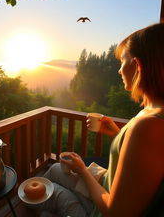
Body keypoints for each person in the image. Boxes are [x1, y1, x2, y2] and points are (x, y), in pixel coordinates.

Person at [35, 23, 164, 217]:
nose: (119, 70)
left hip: (103, 209)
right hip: (107, 183)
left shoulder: (150, 125)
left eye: (122, 61)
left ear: (137, 66)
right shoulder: (152, 111)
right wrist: (116, 133)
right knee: (54, 170)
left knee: (48, 201)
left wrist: (82, 170)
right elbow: (142, 162)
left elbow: (116, 212)